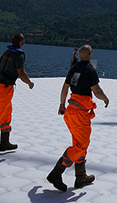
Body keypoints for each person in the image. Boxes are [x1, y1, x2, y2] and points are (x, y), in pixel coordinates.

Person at [47, 45, 109, 191]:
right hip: (81, 114)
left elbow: (65, 88)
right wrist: (105, 98)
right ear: (90, 54)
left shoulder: (74, 68)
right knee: (81, 146)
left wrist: (62, 104)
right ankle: (57, 172)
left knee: (79, 144)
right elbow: (97, 90)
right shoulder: (89, 69)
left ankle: (81, 177)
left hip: (71, 111)